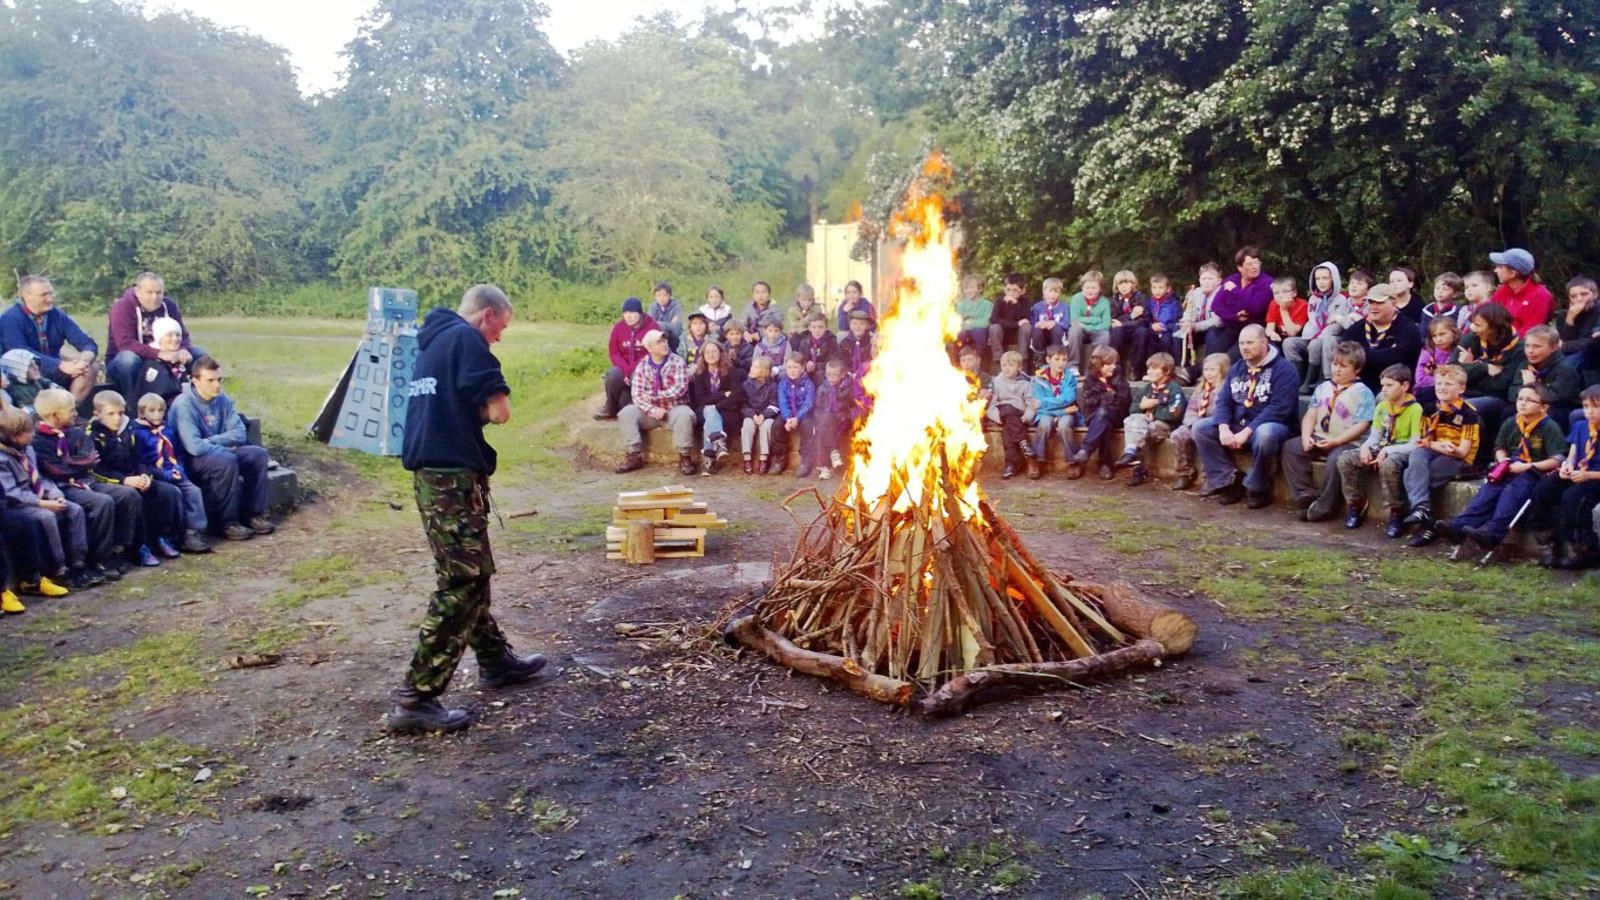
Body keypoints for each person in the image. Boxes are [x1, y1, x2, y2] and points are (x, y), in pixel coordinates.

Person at [386, 283, 544, 735]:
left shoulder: (432, 342)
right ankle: (415, 697)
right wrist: (478, 409)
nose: (499, 339)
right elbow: (500, 411)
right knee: (463, 579)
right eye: (501, 329)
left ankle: (496, 662)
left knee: (471, 573)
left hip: (431, 478)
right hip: (450, 479)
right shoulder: (465, 339)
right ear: (487, 316)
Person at [1440, 384, 1566, 555]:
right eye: (1520, 398)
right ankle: (1458, 527)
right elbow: (1500, 446)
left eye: (1529, 400)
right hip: (1509, 466)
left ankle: (1492, 533)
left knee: (1511, 494)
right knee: (1488, 492)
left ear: (1543, 408)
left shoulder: (1549, 427)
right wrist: (1502, 460)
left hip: (1533, 471)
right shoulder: (1511, 422)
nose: (1522, 403)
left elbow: (1556, 460)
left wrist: (1527, 466)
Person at [170, 356, 275, 541]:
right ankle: (226, 522)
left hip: (215, 450)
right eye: (210, 381)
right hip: (190, 460)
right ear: (196, 381)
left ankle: (253, 514)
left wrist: (211, 441)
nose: (216, 385)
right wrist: (224, 446)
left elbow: (240, 433)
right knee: (227, 461)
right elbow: (193, 447)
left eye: (219, 380)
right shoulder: (184, 404)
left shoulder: (222, 399)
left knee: (258, 455)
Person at [1194, 324, 1300, 508]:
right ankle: (1228, 480)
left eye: (1250, 342)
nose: (1244, 347)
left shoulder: (1285, 369)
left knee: (1265, 433)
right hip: (1238, 424)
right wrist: (1223, 427)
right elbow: (1224, 401)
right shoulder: (1237, 368)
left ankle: (1258, 486)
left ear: (1264, 342)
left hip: (1274, 426)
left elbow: (1280, 408)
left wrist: (1247, 432)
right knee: (1200, 428)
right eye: (1241, 343)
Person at [33, 388, 128, 579]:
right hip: (62, 488)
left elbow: (91, 456)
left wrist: (72, 463)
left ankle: (123, 548)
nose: (76, 414)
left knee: (127, 494)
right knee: (102, 502)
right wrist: (78, 463)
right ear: (55, 415)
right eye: (71, 410)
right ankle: (101, 558)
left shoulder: (76, 432)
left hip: (87, 481)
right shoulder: (39, 440)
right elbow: (56, 471)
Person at [0, 406, 91, 593]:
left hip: (39, 494)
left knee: (74, 509)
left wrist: (55, 495)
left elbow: (40, 478)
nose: (33, 435)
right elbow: (11, 493)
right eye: (28, 432)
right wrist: (42, 503)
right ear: (14, 436)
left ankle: (78, 563)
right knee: (46, 517)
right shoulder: (3, 459)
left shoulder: (28, 450)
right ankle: (59, 569)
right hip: (20, 503)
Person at [1281, 342, 1375, 523]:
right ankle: (1306, 494)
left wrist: (1337, 442)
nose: (1337, 370)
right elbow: (1311, 414)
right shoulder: (1322, 388)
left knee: (1337, 460)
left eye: (1343, 366)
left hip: (1348, 441)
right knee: (1291, 448)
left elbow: (1362, 425)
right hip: (1321, 436)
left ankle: (1325, 506)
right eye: (1334, 364)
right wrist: (1307, 436)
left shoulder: (1363, 393)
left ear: (1357, 369)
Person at [88, 390, 174, 565]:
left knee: (166, 491)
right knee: (131, 496)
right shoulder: (92, 436)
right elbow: (96, 470)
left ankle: (161, 537)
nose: (117, 418)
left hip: (134, 477)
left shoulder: (128, 431)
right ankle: (138, 547)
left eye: (120, 413)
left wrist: (144, 475)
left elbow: (139, 458)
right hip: (109, 482)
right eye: (110, 414)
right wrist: (124, 481)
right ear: (97, 415)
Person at [1401, 365, 1482, 547]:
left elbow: (1462, 451)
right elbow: (1423, 442)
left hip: (1458, 459)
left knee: (1417, 475)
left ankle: (1427, 525)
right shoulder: (1430, 409)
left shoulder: (1468, 413)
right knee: (1417, 457)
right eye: (1439, 383)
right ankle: (1422, 509)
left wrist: (1437, 446)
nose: (1442, 388)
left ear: (1461, 389)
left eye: (1448, 384)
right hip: (1435, 451)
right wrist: (1435, 445)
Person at [1338, 364, 1423, 533]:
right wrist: (1366, 447)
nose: (1384, 390)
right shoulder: (1382, 407)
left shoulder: (1415, 409)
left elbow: (1415, 443)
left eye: (1390, 385)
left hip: (1402, 451)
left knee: (1389, 463)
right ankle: (1355, 504)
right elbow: (1375, 436)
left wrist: (1388, 451)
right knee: (1345, 459)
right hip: (1383, 447)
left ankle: (1396, 510)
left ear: (1405, 386)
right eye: (1383, 385)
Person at [1526, 386, 1600, 568]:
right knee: (1545, 487)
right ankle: (1547, 541)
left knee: (1573, 497)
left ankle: (1583, 548)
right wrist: (1566, 466)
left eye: (1595, 407)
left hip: (1595, 477)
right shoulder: (1581, 426)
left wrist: (1588, 475)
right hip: (1579, 472)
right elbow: (1573, 454)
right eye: (1585, 406)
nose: (1589, 411)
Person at [131, 393, 213, 553]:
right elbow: (143, 463)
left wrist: (178, 468)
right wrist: (164, 474)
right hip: (155, 475)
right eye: (152, 411)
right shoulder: (138, 433)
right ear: (141, 413)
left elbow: (179, 453)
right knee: (174, 493)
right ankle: (173, 535)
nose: (157, 415)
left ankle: (193, 531)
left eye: (161, 411)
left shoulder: (168, 429)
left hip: (173, 470)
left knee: (193, 491)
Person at [0, 275, 102, 405]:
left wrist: (84, 360)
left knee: (90, 367)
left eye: (50, 293)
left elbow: (87, 342)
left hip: (56, 370)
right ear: (26, 296)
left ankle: (70, 409)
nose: (49, 299)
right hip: (25, 374)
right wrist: (60, 365)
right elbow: (19, 352)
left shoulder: (56, 315)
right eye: (43, 295)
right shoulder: (11, 318)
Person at [106, 272, 201, 405]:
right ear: (137, 292)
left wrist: (184, 349)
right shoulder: (123, 307)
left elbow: (183, 334)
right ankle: (133, 405)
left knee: (199, 354)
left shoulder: (169, 306)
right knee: (128, 359)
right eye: (149, 292)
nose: (154, 297)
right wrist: (160, 354)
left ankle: (199, 401)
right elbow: (125, 343)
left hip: (165, 354)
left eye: (159, 292)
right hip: (126, 360)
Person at [615, 330, 697, 476]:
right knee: (626, 413)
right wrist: (652, 410)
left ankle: (685, 457)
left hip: (674, 409)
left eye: (665, 341)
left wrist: (652, 397)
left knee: (686, 414)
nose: (664, 344)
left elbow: (679, 390)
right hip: (650, 412)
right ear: (649, 347)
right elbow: (637, 394)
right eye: (659, 342)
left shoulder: (677, 362)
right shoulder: (643, 365)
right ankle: (633, 455)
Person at [1116, 351, 1186, 487]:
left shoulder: (1173, 388)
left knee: (1143, 430)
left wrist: (1154, 410)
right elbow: (1132, 409)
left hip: (1165, 426)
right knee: (1133, 421)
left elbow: (1174, 412)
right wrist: (1143, 405)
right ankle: (1131, 453)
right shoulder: (1147, 388)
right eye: (1149, 368)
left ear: (1166, 371)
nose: (1149, 371)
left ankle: (1137, 466)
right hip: (1145, 423)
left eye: (1154, 368)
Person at [1344, 283, 1423, 392]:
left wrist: (1360, 354)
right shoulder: (1358, 327)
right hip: (1358, 385)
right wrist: (1385, 353)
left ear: (1394, 304)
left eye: (1379, 302)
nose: (1373, 307)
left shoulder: (1408, 328)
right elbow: (1344, 353)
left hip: (1393, 389)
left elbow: (1398, 358)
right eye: (1371, 302)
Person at [1170, 353, 1230, 491]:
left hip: (1213, 426)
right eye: (1206, 370)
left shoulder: (1225, 390)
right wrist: (1192, 424)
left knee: (1204, 438)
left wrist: (1201, 427)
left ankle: (1209, 476)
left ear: (1223, 370)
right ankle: (1185, 472)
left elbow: (1222, 413)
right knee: (1177, 435)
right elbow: (1191, 410)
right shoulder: (1200, 389)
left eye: (1213, 370)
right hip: (1195, 424)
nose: (1208, 374)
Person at [1071, 345, 1131, 480]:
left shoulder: (1118, 374)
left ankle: (1086, 449)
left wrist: (1105, 398)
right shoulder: (1089, 378)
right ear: (1098, 364)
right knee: (1104, 419)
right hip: (1093, 415)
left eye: (1115, 363)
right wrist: (1110, 395)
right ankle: (1104, 464)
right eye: (1109, 364)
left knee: (1104, 413)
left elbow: (1125, 399)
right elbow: (1091, 400)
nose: (1113, 367)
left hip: (1118, 414)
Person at [1287, 262, 1348, 395]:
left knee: (1316, 344)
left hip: (1329, 336)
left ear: (1333, 279)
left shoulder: (1341, 299)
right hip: (1312, 337)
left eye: (1325, 278)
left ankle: (1315, 380)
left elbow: (1337, 326)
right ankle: (1297, 379)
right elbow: (1313, 320)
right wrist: (1308, 336)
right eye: (1318, 278)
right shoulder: (1314, 299)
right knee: (1289, 343)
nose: (1321, 282)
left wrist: (1318, 337)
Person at [595, 297, 659, 420]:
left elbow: (652, 352)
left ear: (640, 313)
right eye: (625, 313)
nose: (628, 316)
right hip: (623, 365)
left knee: (639, 376)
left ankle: (642, 409)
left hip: (644, 365)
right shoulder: (618, 328)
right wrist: (625, 370)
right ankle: (610, 407)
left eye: (632, 312)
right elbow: (614, 352)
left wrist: (631, 370)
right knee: (612, 375)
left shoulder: (652, 327)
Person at [1509, 324, 1583, 427]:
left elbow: (1557, 399)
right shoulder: (1524, 365)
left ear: (1554, 347)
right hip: (1530, 405)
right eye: (1527, 346)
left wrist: (1531, 384)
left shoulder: (1565, 368)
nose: (1530, 351)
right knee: (1508, 412)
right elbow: (1512, 393)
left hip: (1559, 410)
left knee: (1544, 415)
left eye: (1537, 346)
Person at [688, 341, 743, 476]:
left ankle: (709, 459)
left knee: (711, 414)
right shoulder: (699, 374)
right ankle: (718, 443)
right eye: (707, 352)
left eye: (714, 351)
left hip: (726, 411)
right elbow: (701, 399)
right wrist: (723, 394)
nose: (711, 355)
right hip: (703, 412)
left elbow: (737, 395)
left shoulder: (731, 371)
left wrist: (716, 405)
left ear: (720, 353)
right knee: (709, 411)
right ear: (703, 356)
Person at [1210, 246, 1273, 358]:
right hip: (1232, 325)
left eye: (1257, 263)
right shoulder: (1232, 279)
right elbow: (1216, 306)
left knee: (1230, 358)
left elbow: (1255, 308)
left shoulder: (1266, 282)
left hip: (1253, 329)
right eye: (1250, 264)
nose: (1255, 267)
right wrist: (1234, 316)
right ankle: (1190, 372)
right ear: (1240, 267)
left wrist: (1235, 291)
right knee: (1213, 352)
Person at [1029, 345, 1080, 479]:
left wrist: (1045, 402)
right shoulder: (1039, 378)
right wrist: (1063, 410)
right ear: (1048, 360)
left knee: (1064, 426)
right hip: (1050, 413)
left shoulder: (1070, 377)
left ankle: (1073, 461)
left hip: (1067, 413)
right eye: (1057, 359)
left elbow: (1068, 399)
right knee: (1044, 424)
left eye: (1064, 359)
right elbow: (1037, 405)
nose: (1061, 363)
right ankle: (1037, 461)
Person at [809, 357, 859, 480]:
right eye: (828, 374)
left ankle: (825, 467)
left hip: (842, 419)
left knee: (823, 427)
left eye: (834, 375)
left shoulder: (847, 387)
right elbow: (818, 406)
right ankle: (833, 452)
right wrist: (818, 421)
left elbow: (850, 405)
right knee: (821, 427)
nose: (831, 378)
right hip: (826, 421)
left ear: (842, 375)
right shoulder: (823, 388)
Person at [988, 350, 1034, 479]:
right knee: (1007, 409)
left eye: (1010, 365)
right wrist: (998, 418)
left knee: (1007, 433)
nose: (1006, 368)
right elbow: (990, 405)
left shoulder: (1026, 383)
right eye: (1004, 365)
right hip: (1002, 412)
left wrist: (1026, 417)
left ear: (1019, 367)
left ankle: (1011, 466)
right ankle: (1024, 443)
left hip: (1018, 416)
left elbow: (1031, 403)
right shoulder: (997, 382)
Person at [1488, 247, 1554, 336]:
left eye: (1500, 267)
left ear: (1512, 273)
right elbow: (1487, 314)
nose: (1495, 270)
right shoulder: (1503, 290)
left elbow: (1531, 332)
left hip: (1523, 345)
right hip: (1500, 339)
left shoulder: (1540, 295)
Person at [133, 317, 191, 406]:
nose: (175, 339)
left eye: (178, 335)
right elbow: (161, 393)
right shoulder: (153, 365)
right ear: (159, 338)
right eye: (170, 335)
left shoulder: (180, 361)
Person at [1180, 263, 1225, 376]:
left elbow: (1218, 320)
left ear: (1219, 280)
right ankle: (1181, 368)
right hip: (1198, 328)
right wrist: (1187, 321)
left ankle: (1207, 370)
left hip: (1216, 329)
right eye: (1203, 278)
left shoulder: (1222, 294)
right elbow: (1189, 312)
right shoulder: (1196, 293)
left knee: (1212, 335)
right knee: (1179, 334)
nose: (1206, 281)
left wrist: (1196, 326)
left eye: (1210, 278)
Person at [776, 353, 815, 477]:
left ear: (802, 368)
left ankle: (805, 461)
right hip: (788, 415)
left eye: (796, 367)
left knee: (808, 426)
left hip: (802, 415)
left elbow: (808, 403)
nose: (792, 371)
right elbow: (782, 402)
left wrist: (797, 418)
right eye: (789, 367)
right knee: (776, 425)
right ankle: (779, 459)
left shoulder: (808, 384)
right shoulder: (783, 383)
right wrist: (787, 418)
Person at [1066, 272, 1112, 375]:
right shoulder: (1077, 299)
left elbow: (1106, 324)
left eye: (1093, 288)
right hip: (1080, 330)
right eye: (1087, 287)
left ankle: (1095, 367)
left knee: (1105, 335)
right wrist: (1097, 320)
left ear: (1100, 289)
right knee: (1073, 331)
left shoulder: (1104, 302)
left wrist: (1086, 326)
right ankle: (1073, 365)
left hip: (1096, 331)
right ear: (1082, 287)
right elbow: (1074, 319)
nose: (1090, 291)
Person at [739, 355, 779, 474]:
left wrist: (764, 415)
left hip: (766, 415)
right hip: (751, 414)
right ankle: (747, 457)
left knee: (767, 426)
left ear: (764, 371)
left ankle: (763, 458)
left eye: (756, 367)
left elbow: (775, 404)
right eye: (752, 366)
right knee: (747, 425)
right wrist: (752, 415)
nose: (752, 369)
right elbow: (743, 404)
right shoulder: (746, 385)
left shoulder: (772, 386)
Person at [1106, 271, 1150, 376]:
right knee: (1116, 331)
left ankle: (1136, 369)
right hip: (1120, 330)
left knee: (1142, 332)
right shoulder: (1113, 301)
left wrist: (1123, 323)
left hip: (1136, 328)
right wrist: (1131, 316)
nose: (1123, 287)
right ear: (1116, 286)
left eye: (1126, 283)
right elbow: (1113, 320)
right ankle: (1115, 367)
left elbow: (1144, 320)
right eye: (1120, 284)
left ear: (1133, 284)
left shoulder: (1141, 298)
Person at [988, 274, 1033, 372]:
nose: (1011, 293)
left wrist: (1015, 304)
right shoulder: (999, 301)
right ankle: (998, 364)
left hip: (1018, 335)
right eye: (1008, 290)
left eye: (1014, 290)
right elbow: (993, 319)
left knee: (1026, 327)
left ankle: (1022, 364)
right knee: (994, 328)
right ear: (1004, 289)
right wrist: (1016, 324)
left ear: (1022, 291)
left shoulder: (1025, 302)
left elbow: (1026, 318)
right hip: (1003, 334)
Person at [1557, 276, 1599, 380]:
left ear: (1595, 295)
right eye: (1573, 296)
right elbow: (1562, 340)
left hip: (1592, 355)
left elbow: (1593, 342)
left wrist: (1564, 346)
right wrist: (1570, 318)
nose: (1579, 299)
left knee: (1566, 366)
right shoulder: (1564, 315)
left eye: (1584, 294)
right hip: (1571, 354)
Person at [1142, 273, 1183, 372]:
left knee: (1167, 341)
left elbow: (1177, 321)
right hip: (1153, 330)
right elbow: (1145, 319)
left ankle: (1168, 368)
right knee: (1149, 340)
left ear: (1167, 289)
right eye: (1154, 287)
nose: (1157, 291)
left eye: (1160, 287)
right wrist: (1151, 326)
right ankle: (1151, 368)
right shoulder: (1148, 302)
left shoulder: (1173, 303)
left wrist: (1164, 327)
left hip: (1167, 331)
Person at [1414, 316, 1461, 396]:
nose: (1439, 339)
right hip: (1428, 391)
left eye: (1442, 334)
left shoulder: (1459, 352)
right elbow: (1420, 379)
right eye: (1434, 336)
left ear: (1454, 333)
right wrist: (1445, 381)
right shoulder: (1428, 353)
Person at [1032, 276, 1074, 362]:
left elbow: (1067, 324)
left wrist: (1055, 323)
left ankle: (1055, 356)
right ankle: (1039, 357)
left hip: (1057, 337)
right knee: (1037, 330)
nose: (1053, 294)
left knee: (1056, 328)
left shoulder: (1064, 306)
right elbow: (1032, 322)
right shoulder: (1037, 306)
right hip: (1041, 336)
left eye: (1056, 291)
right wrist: (1038, 324)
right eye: (1050, 291)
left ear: (1060, 293)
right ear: (1044, 292)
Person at [954, 274, 993, 360]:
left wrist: (970, 323)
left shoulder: (987, 305)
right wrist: (968, 325)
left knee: (979, 331)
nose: (968, 291)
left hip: (980, 334)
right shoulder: (962, 305)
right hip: (965, 333)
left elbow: (986, 322)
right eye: (966, 288)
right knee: (960, 334)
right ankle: (960, 362)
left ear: (980, 289)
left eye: (971, 287)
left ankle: (979, 361)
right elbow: (958, 323)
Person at [1263, 276, 1308, 349]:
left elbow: (1292, 333)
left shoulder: (1303, 305)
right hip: (1281, 338)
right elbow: (1269, 327)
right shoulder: (1273, 304)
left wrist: (1283, 310)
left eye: (1285, 292)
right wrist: (1272, 333)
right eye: (1276, 293)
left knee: (1288, 343)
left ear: (1294, 293)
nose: (1280, 296)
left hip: (1298, 339)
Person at [792, 312, 838, 382]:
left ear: (826, 327)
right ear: (809, 328)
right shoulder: (805, 342)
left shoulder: (831, 341)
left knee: (820, 375)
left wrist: (816, 366)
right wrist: (806, 364)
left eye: (821, 327)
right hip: (808, 370)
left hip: (823, 371)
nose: (817, 330)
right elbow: (801, 358)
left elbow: (832, 361)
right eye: (814, 327)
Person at [838, 309, 875, 382]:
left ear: (867, 326)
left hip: (867, 375)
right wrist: (849, 373)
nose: (858, 327)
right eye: (855, 324)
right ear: (850, 326)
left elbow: (872, 360)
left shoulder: (870, 342)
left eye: (862, 324)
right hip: (849, 376)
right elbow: (841, 361)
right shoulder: (844, 343)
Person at [647, 282, 683, 351]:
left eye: (665, 295)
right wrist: (669, 325)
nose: (662, 298)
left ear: (670, 296)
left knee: (676, 333)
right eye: (659, 295)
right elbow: (651, 325)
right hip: (658, 334)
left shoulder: (676, 306)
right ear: (655, 296)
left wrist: (659, 324)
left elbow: (677, 327)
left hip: (673, 337)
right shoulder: (653, 307)